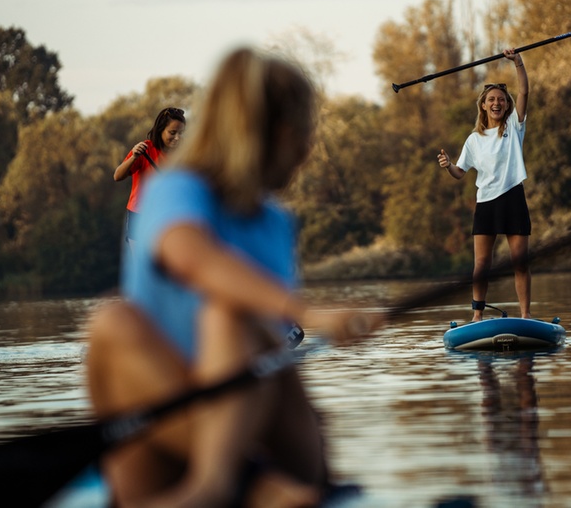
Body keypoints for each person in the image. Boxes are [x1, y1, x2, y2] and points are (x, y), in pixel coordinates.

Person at [86, 47, 382, 508]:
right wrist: (310, 313)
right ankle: (233, 486)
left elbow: (270, 350)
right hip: (164, 445)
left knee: (232, 320)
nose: (307, 153)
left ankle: (231, 482)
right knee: (113, 322)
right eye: (304, 136)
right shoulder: (175, 190)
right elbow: (192, 257)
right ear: (281, 137)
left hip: (268, 434)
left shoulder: (275, 222)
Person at [438, 48, 531, 322]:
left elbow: (524, 92)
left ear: (507, 105)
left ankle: (526, 316)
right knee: (481, 265)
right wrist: (448, 166)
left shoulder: (514, 127)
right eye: (491, 99)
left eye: (501, 99)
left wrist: (518, 62)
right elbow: (460, 172)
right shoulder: (474, 139)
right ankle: (477, 317)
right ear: (483, 105)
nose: (496, 103)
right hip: (486, 203)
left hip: (513, 197)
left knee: (520, 263)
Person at [114, 107, 186, 251]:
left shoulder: (184, 153)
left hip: (169, 216)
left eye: (181, 133)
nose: (177, 137)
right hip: (139, 215)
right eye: (172, 133)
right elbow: (118, 176)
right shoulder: (145, 149)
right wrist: (134, 156)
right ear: (160, 131)